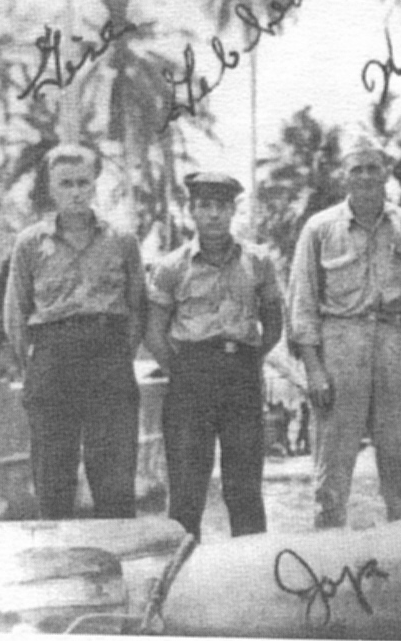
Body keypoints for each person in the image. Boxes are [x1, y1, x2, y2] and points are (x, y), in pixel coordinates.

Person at [287, 130, 401, 529]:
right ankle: (328, 538)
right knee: (333, 456)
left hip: (395, 343)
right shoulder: (320, 228)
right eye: (357, 169)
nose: (366, 176)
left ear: (386, 173)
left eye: (374, 168)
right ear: (344, 176)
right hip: (341, 345)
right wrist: (314, 369)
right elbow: (302, 302)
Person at [4, 144, 145, 519]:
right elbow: (15, 313)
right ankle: (57, 555)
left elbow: (137, 308)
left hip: (108, 359)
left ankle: (118, 554)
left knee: (114, 476)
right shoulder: (30, 243)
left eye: (83, 182)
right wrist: (33, 367)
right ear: (51, 189)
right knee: (52, 474)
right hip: (53, 360)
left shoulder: (122, 241)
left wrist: (120, 355)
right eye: (66, 184)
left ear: (95, 184)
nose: (76, 192)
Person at [146, 172, 282, 541]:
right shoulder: (172, 266)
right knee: (187, 489)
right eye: (205, 206)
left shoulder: (258, 261)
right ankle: (184, 567)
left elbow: (273, 323)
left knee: (244, 488)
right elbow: (154, 332)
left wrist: (249, 359)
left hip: (241, 378)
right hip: (191, 380)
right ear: (191, 210)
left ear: (233, 210)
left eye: (222, 206)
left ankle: (253, 567)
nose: (214, 214)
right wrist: (182, 369)